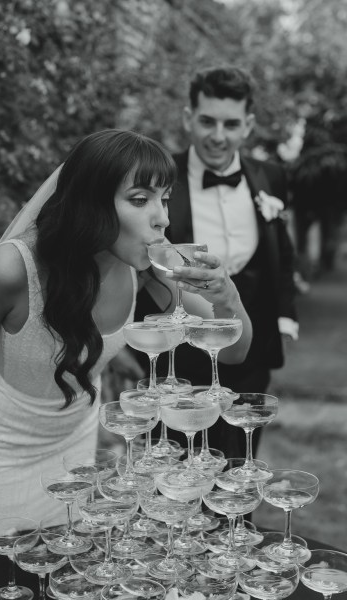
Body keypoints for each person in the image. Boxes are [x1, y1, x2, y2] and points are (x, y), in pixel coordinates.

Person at [0, 128, 252, 555]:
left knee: (68, 572)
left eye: (164, 198)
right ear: (90, 202)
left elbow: (234, 351)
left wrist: (228, 295)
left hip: (73, 450)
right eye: (140, 199)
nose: (162, 217)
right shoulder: (11, 270)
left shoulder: (148, 267)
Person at [134, 66, 298, 458]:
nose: (218, 136)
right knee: (178, 460)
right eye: (207, 121)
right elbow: (143, 255)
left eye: (231, 123)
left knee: (242, 460)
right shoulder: (160, 175)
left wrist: (286, 313)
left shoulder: (271, 176)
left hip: (250, 339)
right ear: (189, 118)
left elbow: (282, 250)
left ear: (248, 125)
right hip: (180, 348)